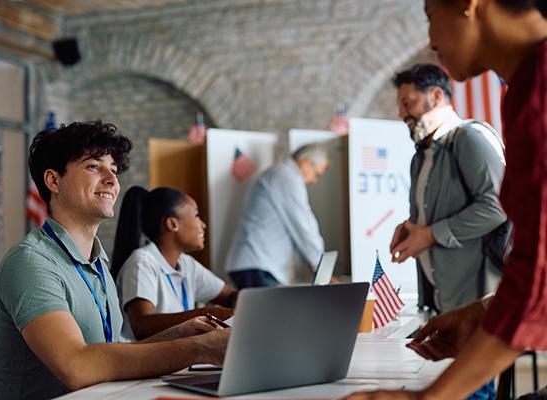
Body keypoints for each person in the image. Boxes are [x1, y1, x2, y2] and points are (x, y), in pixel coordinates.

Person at [343, 0, 547, 399]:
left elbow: (535, 265)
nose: (431, 39)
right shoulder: (523, 88)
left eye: (429, 16)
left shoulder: (528, 96)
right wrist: (482, 312)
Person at [0, 121, 229, 399]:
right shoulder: (31, 262)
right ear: (53, 181)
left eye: (113, 169)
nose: (112, 180)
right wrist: (201, 348)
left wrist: (180, 334)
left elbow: (110, 351)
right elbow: (77, 365)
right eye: (93, 166)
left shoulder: (98, 261)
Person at [390, 63, 507, 314]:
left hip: (479, 304)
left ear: (436, 97)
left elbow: (498, 206)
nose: (401, 113)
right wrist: (413, 227)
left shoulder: (470, 138)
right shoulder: (420, 157)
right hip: (442, 303)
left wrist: (430, 234)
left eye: (407, 103)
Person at [111, 186, 236, 341]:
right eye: (197, 215)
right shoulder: (142, 262)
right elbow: (142, 326)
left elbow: (230, 295)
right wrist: (207, 314)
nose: (203, 225)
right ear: (172, 224)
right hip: (145, 361)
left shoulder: (186, 263)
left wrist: (241, 305)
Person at [225, 143, 329, 288]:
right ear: (306, 163)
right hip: (257, 263)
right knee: (269, 311)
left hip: (260, 264)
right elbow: (303, 225)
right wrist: (322, 269)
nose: (314, 180)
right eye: (316, 173)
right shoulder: (285, 177)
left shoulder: (282, 175)